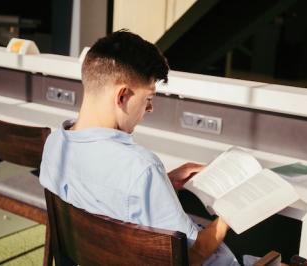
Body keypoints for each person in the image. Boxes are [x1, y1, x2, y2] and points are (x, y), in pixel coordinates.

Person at [39, 29, 240, 265]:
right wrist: (230, 212)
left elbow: (109, 200)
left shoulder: (55, 145)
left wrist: (164, 183)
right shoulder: (142, 168)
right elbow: (190, 258)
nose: (150, 109)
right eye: (148, 99)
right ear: (122, 96)